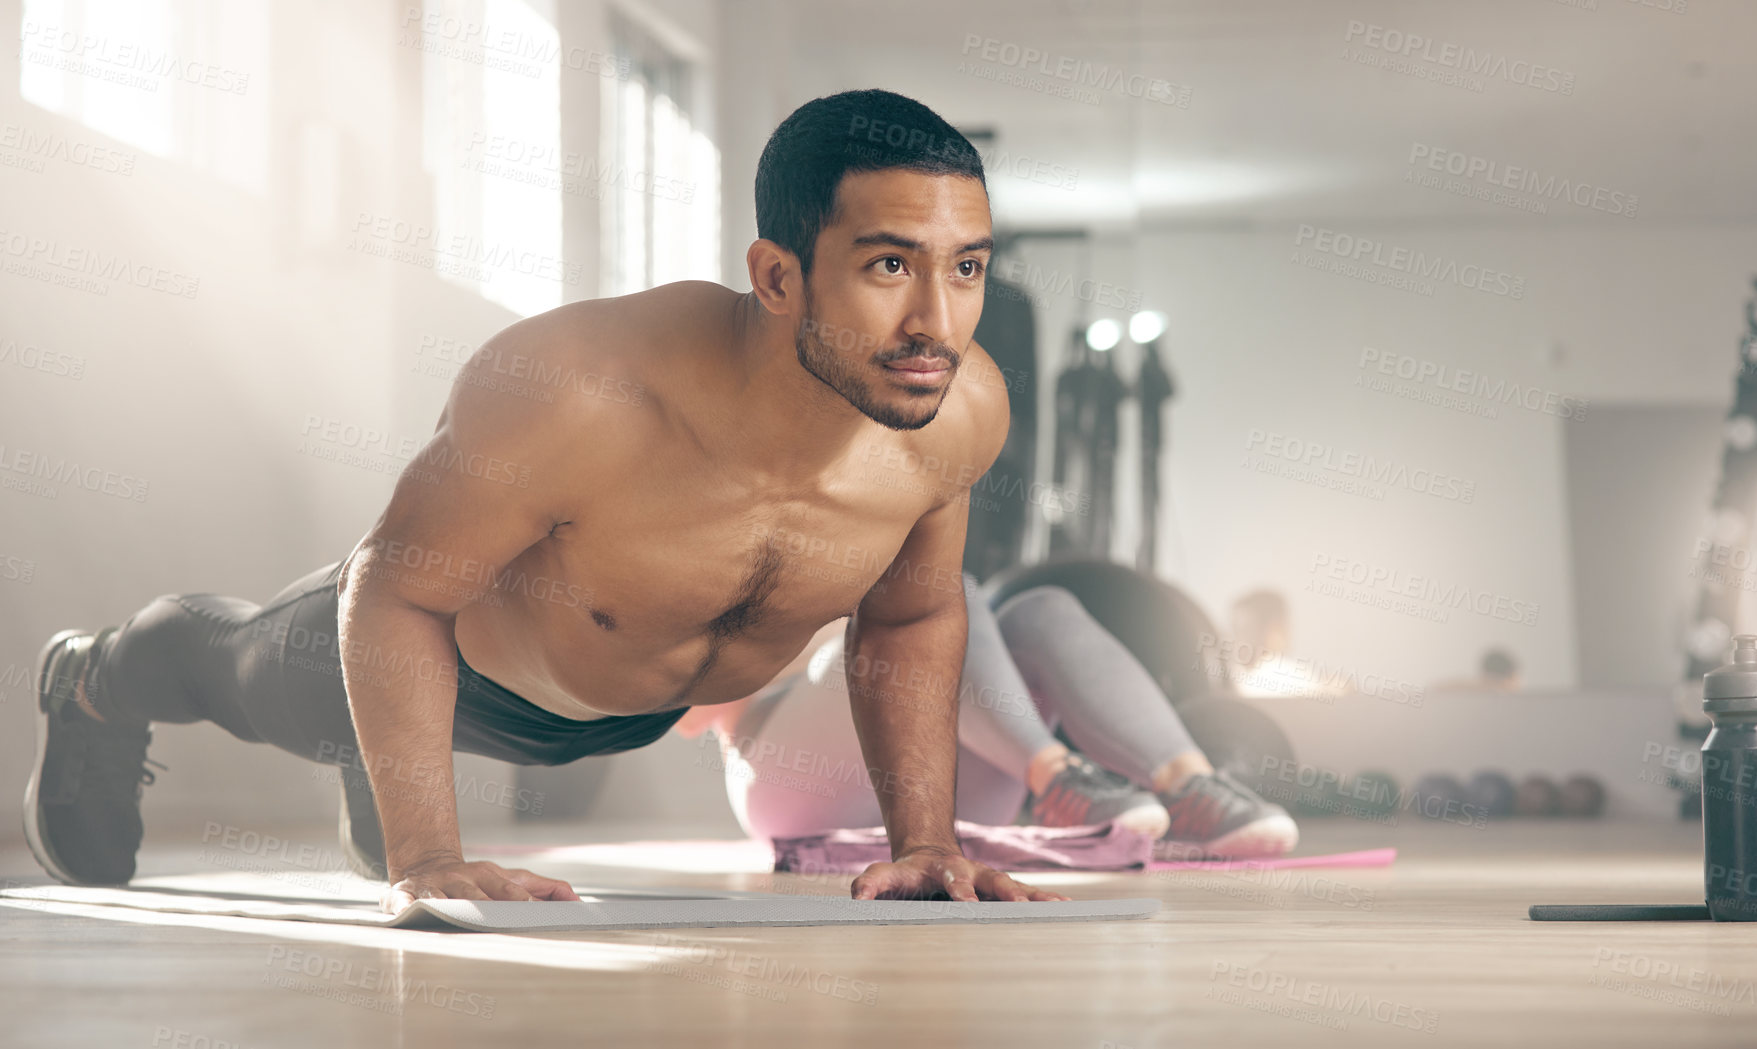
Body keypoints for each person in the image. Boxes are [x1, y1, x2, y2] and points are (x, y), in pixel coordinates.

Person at [26, 88, 1063, 909]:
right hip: (442, 656)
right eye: (890, 263)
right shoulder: (579, 389)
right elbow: (399, 598)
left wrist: (924, 845)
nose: (937, 319)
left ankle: (377, 762)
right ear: (777, 275)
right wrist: (428, 854)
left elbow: (911, 612)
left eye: (964, 266)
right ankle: (93, 678)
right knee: (239, 667)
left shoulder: (956, 412)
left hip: (626, 714)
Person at [676, 575, 1299, 858]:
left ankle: (1189, 785)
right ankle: (1055, 775)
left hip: (951, 791)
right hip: (788, 783)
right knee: (941, 596)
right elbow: (681, 711)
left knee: (1041, 608)